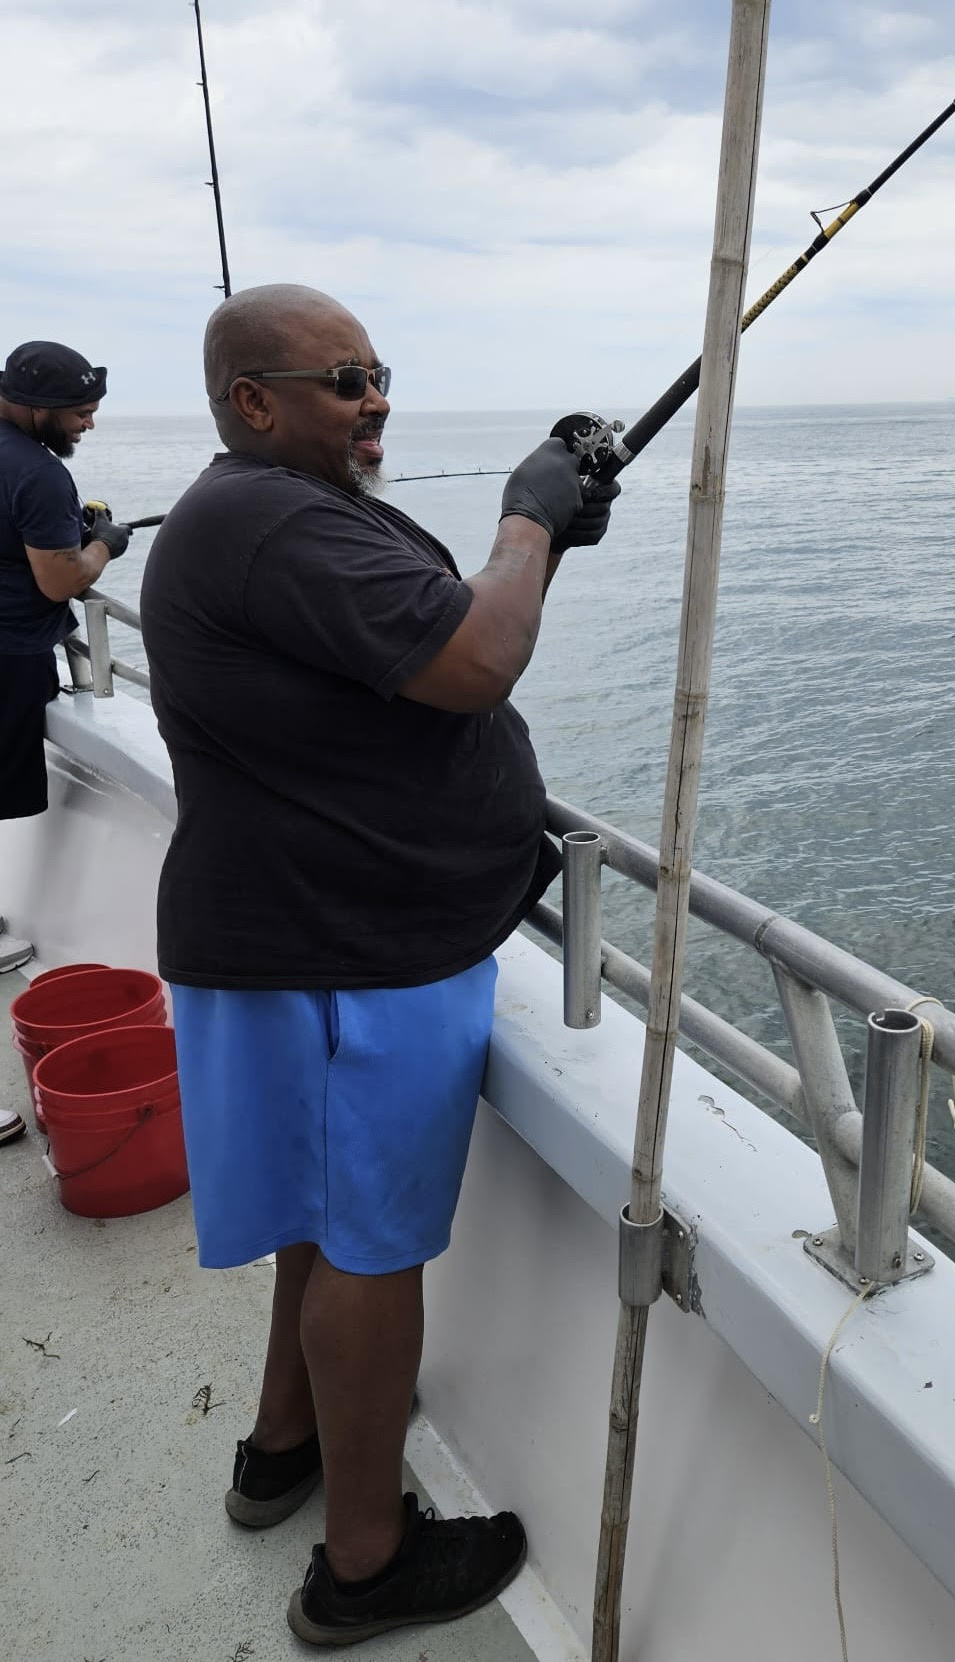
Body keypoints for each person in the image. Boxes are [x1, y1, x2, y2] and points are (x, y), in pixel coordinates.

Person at [139, 283, 617, 1647]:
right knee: (370, 1247)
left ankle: (283, 1444)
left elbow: (414, 640)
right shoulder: (273, 519)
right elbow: (472, 656)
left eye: (377, 371)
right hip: (350, 952)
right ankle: (364, 1561)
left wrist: (548, 539)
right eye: (342, 380)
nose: (375, 399)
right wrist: (528, 518)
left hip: (301, 934)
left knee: (320, 1217)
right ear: (253, 402)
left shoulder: (265, 514)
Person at [0, 341, 128, 972]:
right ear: (37, 407)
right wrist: (103, 543)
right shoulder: (39, 473)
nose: (89, 424)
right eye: (80, 412)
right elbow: (61, 581)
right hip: (9, 657)